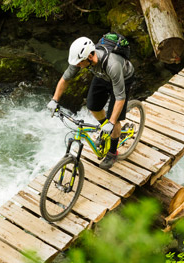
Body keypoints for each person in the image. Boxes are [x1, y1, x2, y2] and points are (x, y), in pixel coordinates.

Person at [47, 36, 135, 170]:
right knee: (93, 106)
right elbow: (65, 79)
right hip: (102, 76)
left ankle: (112, 152)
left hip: (123, 78)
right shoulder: (83, 60)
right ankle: (106, 131)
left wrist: (111, 123)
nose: (77, 65)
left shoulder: (112, 64)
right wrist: (54, 100)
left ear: (90, 57)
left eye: (79, 62)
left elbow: (120, 97)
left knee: (115, 120)